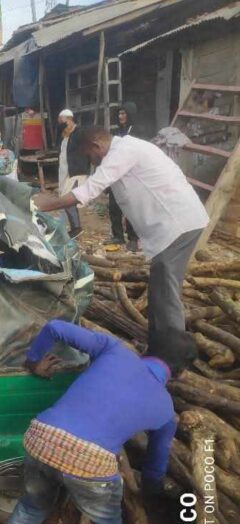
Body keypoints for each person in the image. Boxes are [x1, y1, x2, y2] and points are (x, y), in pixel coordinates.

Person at [0, 320, 198, 524]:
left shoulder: (114, 349)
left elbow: (54, 327)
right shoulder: (166, 411)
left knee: (31, 505)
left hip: (42, 437)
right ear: (181, 372)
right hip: (89, 463)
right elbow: (155, 466)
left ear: (145, 349)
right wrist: (150, 493)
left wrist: (33, 363)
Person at [34, 126, 209, 347]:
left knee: (166, 292)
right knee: (158, 290)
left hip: (178, 225)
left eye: (89, 155)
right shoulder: (124, 150)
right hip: (169, 228)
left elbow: (88, 190)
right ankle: (157, 344)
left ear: (97, 145)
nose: (91, 161)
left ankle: (174, 354)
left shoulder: (124, 152)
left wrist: (41, 205)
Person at [106, 102, 140, 251]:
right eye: (119, 113)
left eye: (124, 113)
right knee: (114, 206)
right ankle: (118, 236)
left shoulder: (137, 131)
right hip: (116, 175)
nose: (121, 116)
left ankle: (133, 238)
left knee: (130, 208)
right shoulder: (118, 132)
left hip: (130, 176)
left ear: (130, 114)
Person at [56, 109, 88, 239]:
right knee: (66, 199)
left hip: (76, 172)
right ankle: (75, 227)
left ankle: (76, 228)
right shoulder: (64, 136)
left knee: (68, 200)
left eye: (62, 122)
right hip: (65, 172)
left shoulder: (79, 133)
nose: (61, 125)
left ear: (69, 119)